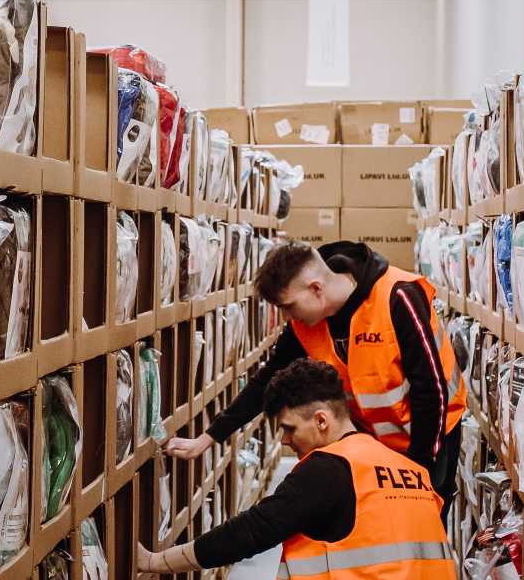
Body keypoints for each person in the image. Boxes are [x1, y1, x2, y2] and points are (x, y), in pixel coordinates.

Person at [164, 241, 466, 510]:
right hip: (374, 443)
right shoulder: (305, 324)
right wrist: (209, 437)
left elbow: (432, 391)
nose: (287, 317)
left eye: (288, 306)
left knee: (422, 531)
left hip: (433, 439)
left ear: (316, 288)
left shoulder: (397, 296)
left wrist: (418, 471)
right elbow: (267, 381)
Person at [138, 359, 456, 578]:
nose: (286, 441)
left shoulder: (329, 469)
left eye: (289, 428)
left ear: (321, 420)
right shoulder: (408, 469)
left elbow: (248, 533)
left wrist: (154, 562)